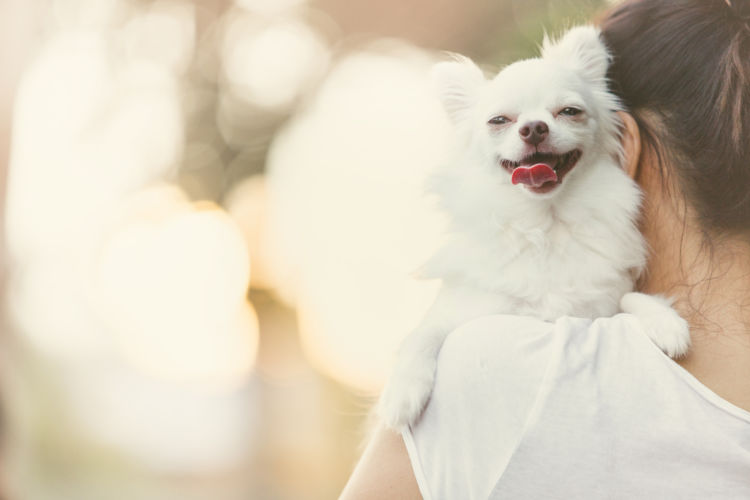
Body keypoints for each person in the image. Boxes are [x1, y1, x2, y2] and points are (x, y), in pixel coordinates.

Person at [339, 0, 750, 498]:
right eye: (501, 122)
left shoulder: (493, 365)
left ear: (625, 143)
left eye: (568, 112)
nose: (532, 129)